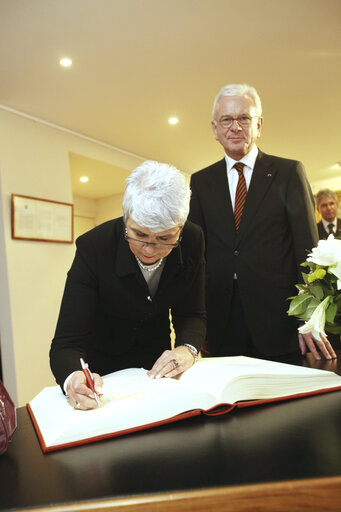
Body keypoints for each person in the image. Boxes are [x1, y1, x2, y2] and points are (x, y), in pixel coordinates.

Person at [188, 83, 336, 362]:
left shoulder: (288, 172)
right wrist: (198, 325)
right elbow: (197, 257)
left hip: (280, 323)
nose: (235, 127)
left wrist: (307, 317)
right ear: (215, 129)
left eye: (244, 118)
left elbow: (307, 251)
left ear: (259, 125)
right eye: (227, 120)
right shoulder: (201, 181)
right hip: (222, 327)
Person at [50, 161, 206, 410]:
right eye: (139, 235)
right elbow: (66, 344)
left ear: (180, 229)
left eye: (165, 238)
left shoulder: (193, 238)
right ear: (126, 219)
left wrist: (187, 349)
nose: (150, 249)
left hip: (157, 371)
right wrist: (72, 379)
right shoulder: (94, 247)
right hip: (103, 374)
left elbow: (192, 314)